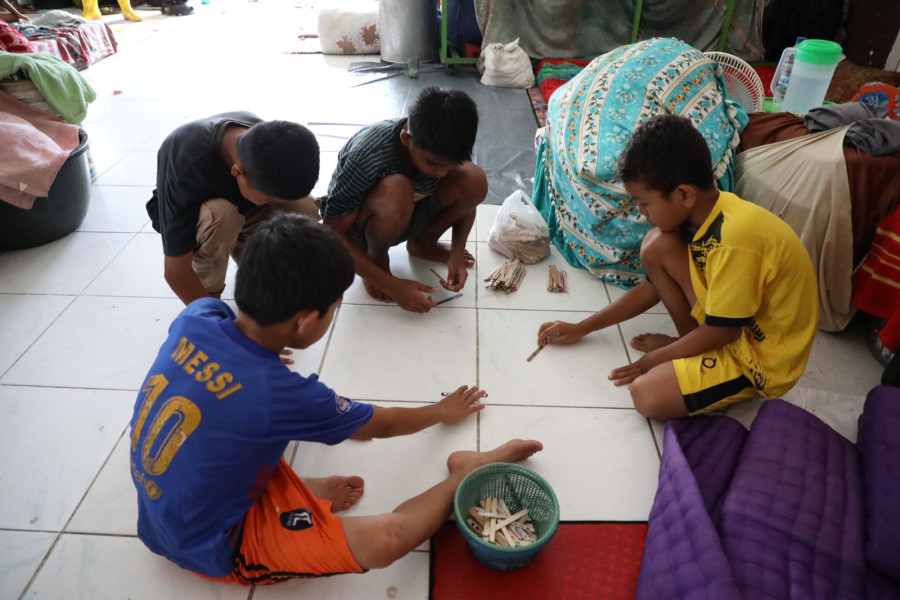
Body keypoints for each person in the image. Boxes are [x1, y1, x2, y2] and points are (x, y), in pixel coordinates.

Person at [130, 213, 542, 584]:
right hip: (208, 544)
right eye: (332, 310)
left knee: (233, 426)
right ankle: (464, 474)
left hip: (168, 506)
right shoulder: (281, 395)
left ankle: (301, 490)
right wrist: (440, 411)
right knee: (387, 539)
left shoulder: (197, 314)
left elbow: (226, 343)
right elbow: (382, 425)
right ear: (306, 320)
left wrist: (262, 355)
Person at [537, 115, 818, 421]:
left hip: (759, 358)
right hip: (729, 327)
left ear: (684, 194)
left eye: (644, 203)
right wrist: (582, 328)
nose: (643, 214)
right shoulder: (708, 213)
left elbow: (725, 331)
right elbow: (650, 288)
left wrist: (654, 361)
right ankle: (691, 347)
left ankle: (696, 353)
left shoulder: (736, 238)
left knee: (646, 395)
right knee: (656, 246)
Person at [320, 86, 487, 313]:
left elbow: (468, 203)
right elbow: (332, 233)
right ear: (407, 138)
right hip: (367, 226)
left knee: (473, 178)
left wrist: (457, 253)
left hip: (407, 213)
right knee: (397, 188)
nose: (441, 173)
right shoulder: (367, 154)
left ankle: (422, 245)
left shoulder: (440, 148)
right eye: (434, 164)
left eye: (450, 165)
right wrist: (390, 285)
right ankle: (377, 260)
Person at [147, 112, 321, 305]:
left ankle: (257, 267)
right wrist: (211, 317)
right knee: (223, 216)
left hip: (239, 202)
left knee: (304, 209)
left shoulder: (267, 140)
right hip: (200, 216)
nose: (273, 205)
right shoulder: (186, 161)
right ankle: (209, 292)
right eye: (270, 200)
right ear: (238, 172)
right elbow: (175, 272)